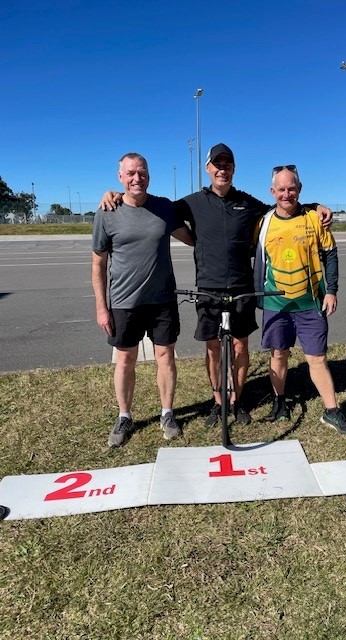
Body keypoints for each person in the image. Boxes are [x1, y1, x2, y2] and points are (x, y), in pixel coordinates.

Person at [100, 143, 332, 429]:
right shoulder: (191, 203)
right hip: (208, 289)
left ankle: (237, 402)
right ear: (208, 169)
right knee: (212, 349)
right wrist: (114, 195)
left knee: (239, 347)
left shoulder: (248, 203)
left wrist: (314, 206)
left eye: (228, 165)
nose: (222, 170)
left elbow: (284, 207)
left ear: (233, 170)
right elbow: (148, 204)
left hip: (241, 287)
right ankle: (218, 401)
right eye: (217, 165)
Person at [92, 152, 193, 447]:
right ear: (121, 177)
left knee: (166, 357)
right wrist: (102, 307)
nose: (138, 178)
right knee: (125, 360)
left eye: (143, 172)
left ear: (149, 175)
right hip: (124, 302)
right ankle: (124, 416)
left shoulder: (163, 208)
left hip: (162, 300)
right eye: (131, 173)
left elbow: (192, 237)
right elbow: (98, 263)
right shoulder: (106, 212)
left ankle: (167, 413)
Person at [253, 165, 346, 435]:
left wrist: (331, 290)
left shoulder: (314, 218)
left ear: (299, 189)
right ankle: (279, 402)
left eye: (292, 188)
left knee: (317, 358)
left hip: (310, 302)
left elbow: (330, 253)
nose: (286, 194)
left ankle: (332, 411)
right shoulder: (263, 223)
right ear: (272, 191)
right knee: (279, 354)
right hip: (276, 303)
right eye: (281, 189)